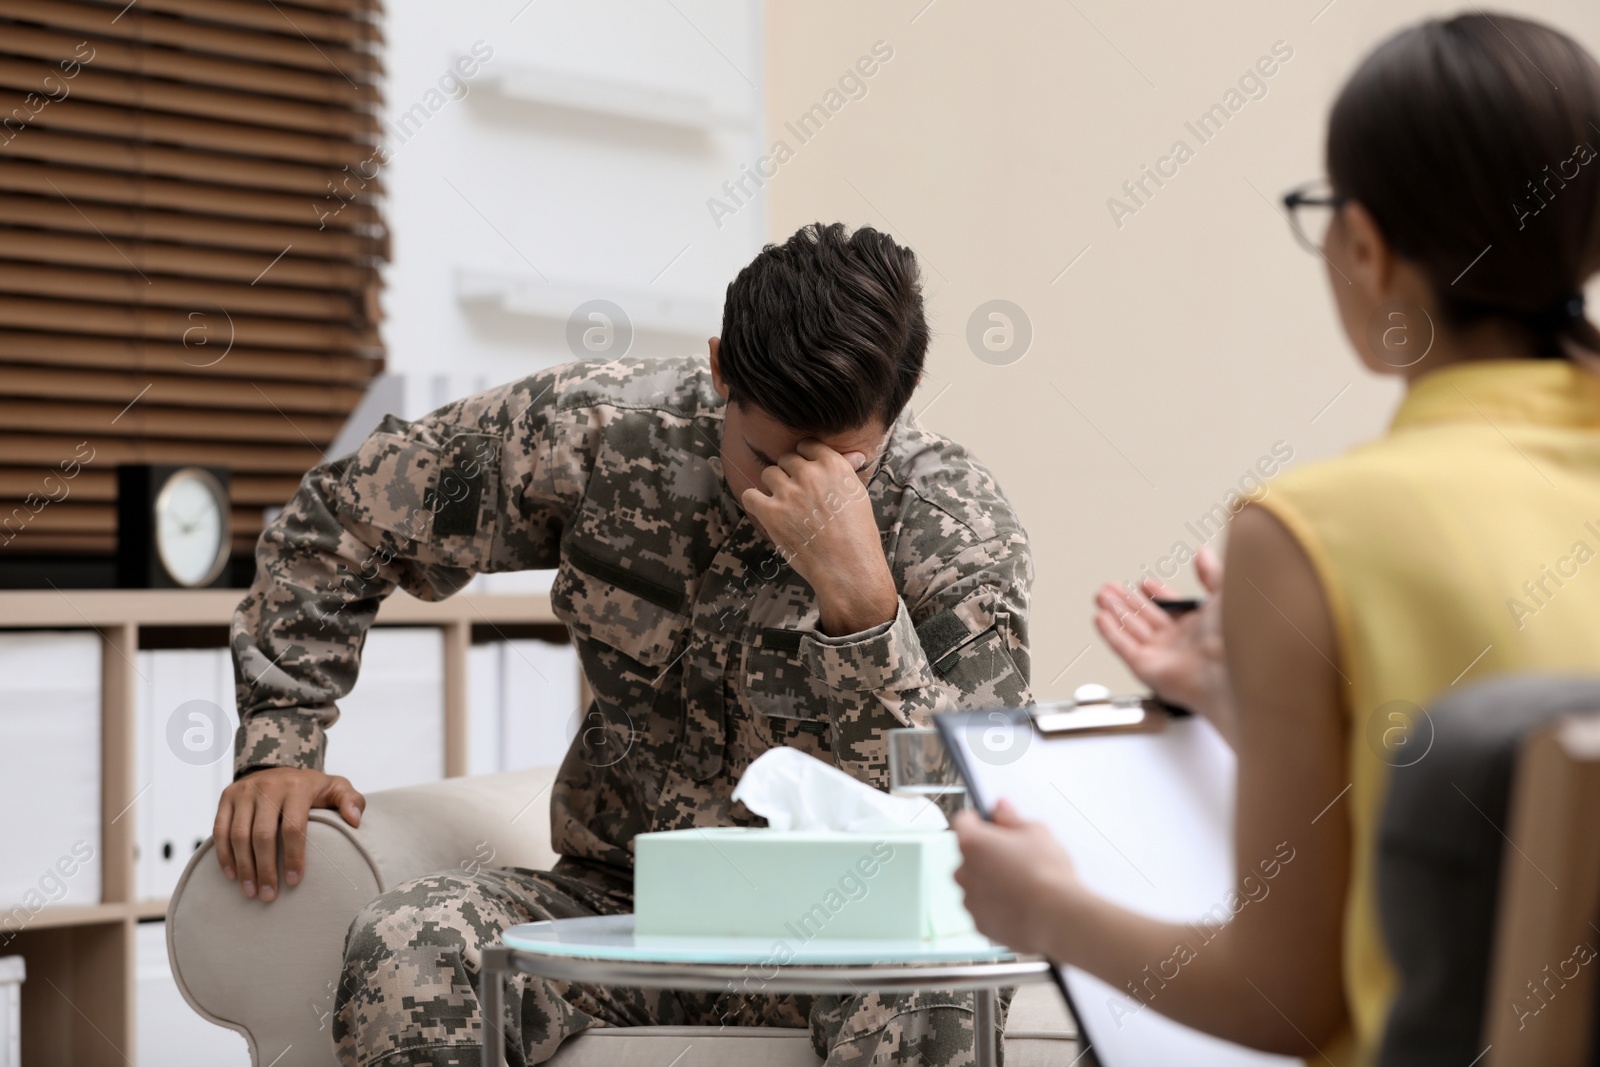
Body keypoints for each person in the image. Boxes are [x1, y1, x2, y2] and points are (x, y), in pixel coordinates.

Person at [218, 222, 1032, 1066]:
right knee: (408, 942)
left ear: (900, 406)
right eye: (767, 456)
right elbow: (346, 515)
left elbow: (968, 816)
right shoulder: (605, 434)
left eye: (843, 469)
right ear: (721, 368)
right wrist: (281, 738)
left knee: (940, 979)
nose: (797, 496)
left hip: (860, 927)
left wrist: (863, 610)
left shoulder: (954, 530)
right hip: (631, 908)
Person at [953, 13, 1600, 1066]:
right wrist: (1260, 710)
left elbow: (1283, 996)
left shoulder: (1311, 534)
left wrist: (1045, 907)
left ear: (1364, 246)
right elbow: (1526, 839)